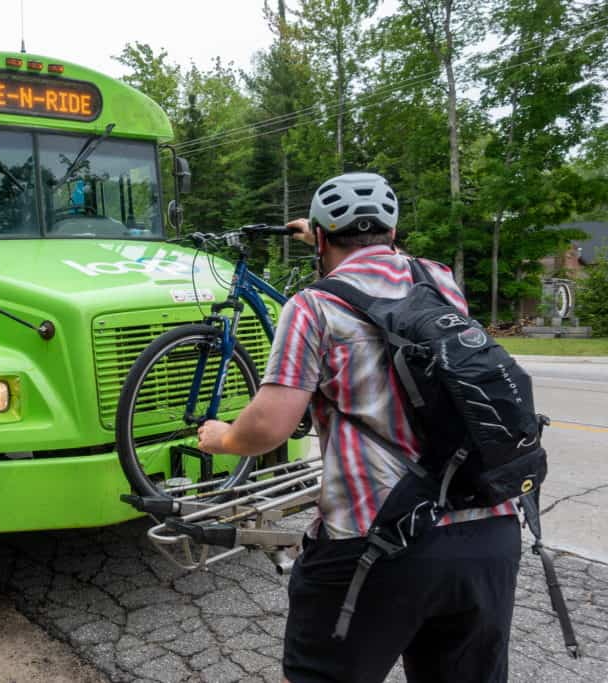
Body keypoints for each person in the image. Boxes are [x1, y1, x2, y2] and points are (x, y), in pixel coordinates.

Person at [196, 172, 521, 683]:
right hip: (487, 530)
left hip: (376, 544)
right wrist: (328, 235)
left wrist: (224, 438)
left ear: (321, 239)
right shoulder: (440, 281)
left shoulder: (313, 306)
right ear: (391, 233)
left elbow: (271, 427)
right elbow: (384, 272)